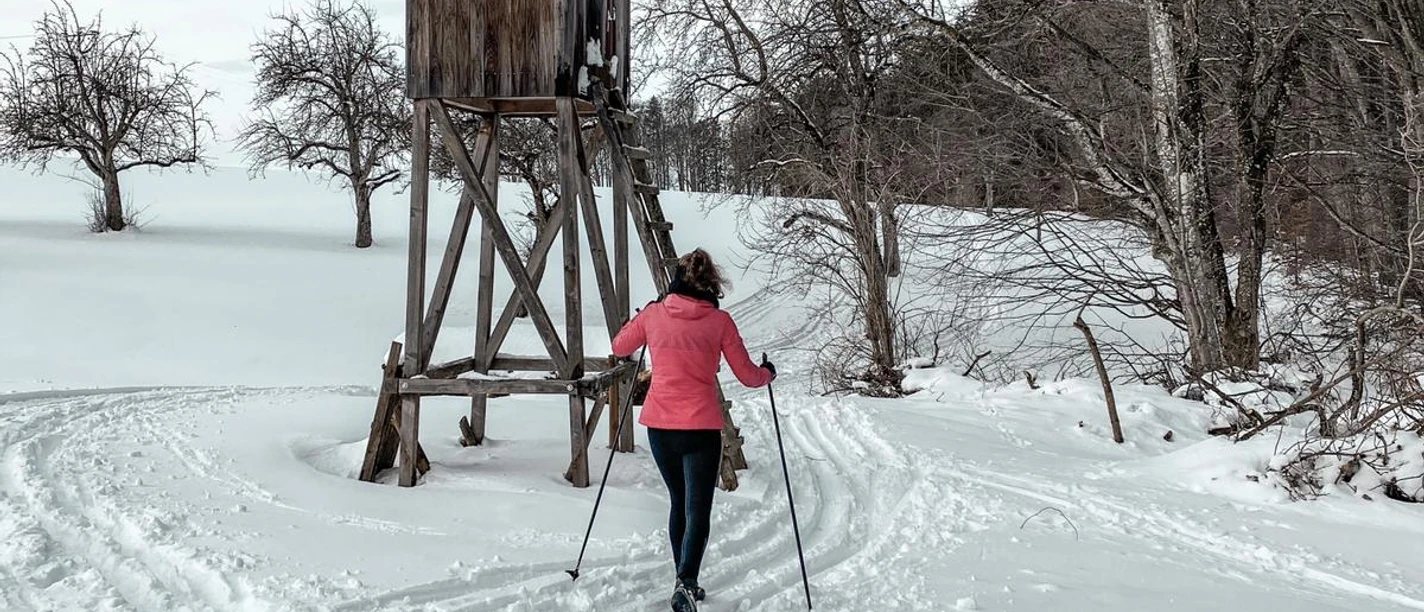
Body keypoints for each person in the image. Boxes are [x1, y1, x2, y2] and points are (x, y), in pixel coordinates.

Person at [611, 248, 776, 612]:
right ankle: (686, 581)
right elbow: (749, 376)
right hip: (700, 427)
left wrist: (648, 313)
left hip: (660, 427)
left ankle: (683, 580)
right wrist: (769, 374)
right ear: (712, 285)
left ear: (676, 280)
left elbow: (620, 346)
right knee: (697, 507)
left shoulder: (655, 314)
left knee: (678, 502)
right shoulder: (720, 323)